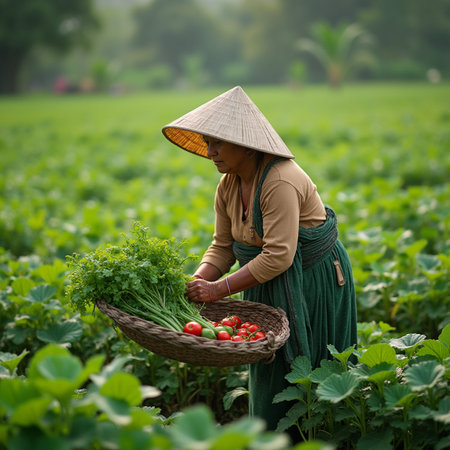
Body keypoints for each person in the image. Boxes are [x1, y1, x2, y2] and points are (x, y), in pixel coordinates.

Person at [161, 86, 357, 435]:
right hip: (262, 279)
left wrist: (218, 290)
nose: (210, 152)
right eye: (207, 143)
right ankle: (271, 437)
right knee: (269, 370)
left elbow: (279, 256)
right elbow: (222, 247)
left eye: (218, 143)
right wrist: (196, 284)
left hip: (313, 279)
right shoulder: (228, 185)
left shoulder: (279, 179)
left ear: (247, 145)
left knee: (313, 369)